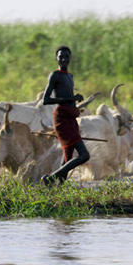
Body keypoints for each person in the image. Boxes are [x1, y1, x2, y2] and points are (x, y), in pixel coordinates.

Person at [41, 45, 90, 185]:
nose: (63, 59)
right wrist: (71, 99)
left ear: (70, 58)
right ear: (56, 58)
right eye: (60, 56)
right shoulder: (54, 75)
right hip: (61, 118)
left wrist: (75, 100)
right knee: (84, 155)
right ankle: (51, 178)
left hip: (70, 118)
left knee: (68, 158)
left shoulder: (70, 76)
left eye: (66, 56)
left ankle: (57, 188)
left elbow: (69, 97)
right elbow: (46, 100)